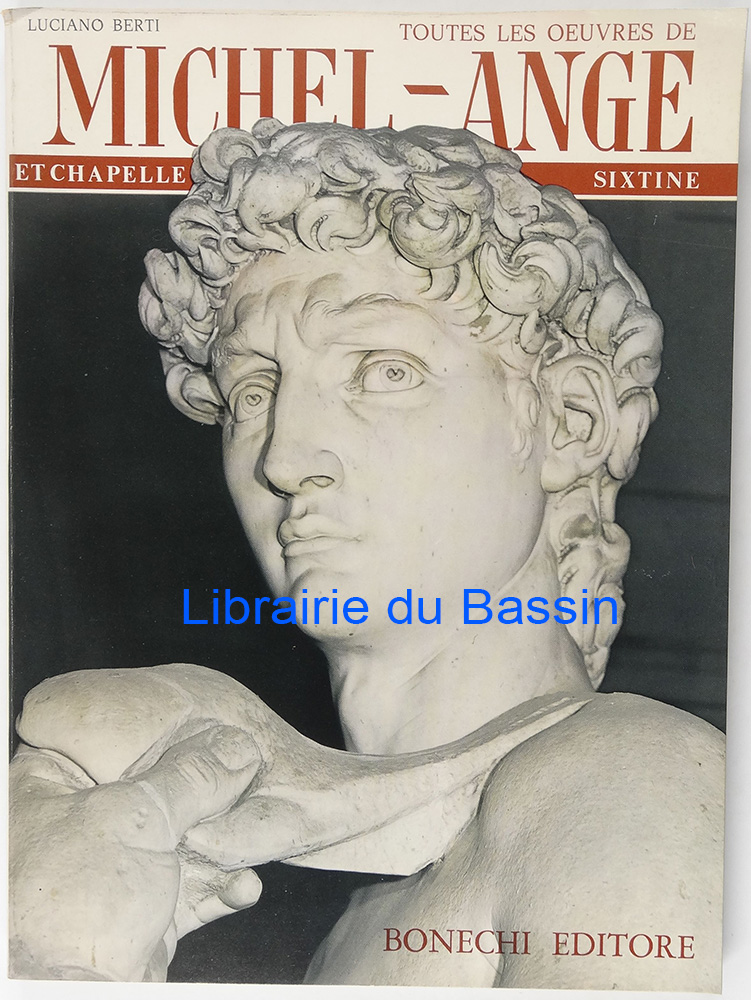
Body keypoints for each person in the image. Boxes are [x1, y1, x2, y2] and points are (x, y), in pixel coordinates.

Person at [9, 120, 724, 989]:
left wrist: (52, 967)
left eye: (384, 371)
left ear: (568, 421)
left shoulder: (628, 778)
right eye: (254, 391)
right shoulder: (364, 909)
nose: (283, 459)